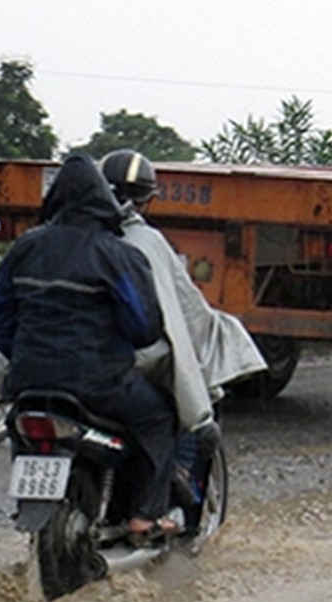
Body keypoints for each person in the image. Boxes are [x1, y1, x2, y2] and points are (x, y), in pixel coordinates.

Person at [0, 155, 179, 537]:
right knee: (159, 417)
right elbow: (144, 328)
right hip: (98, 383)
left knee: (20, 426)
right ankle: (145, 515)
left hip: (28, 382)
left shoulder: (25, 247)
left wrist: (30, 356)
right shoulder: (118, 255)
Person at [100, 149, 266, 440]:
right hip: (113, 366)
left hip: (45, 371)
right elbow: (182, 314)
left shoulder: (54, 239)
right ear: (146, 200)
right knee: (166, 417)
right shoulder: (146, 243)